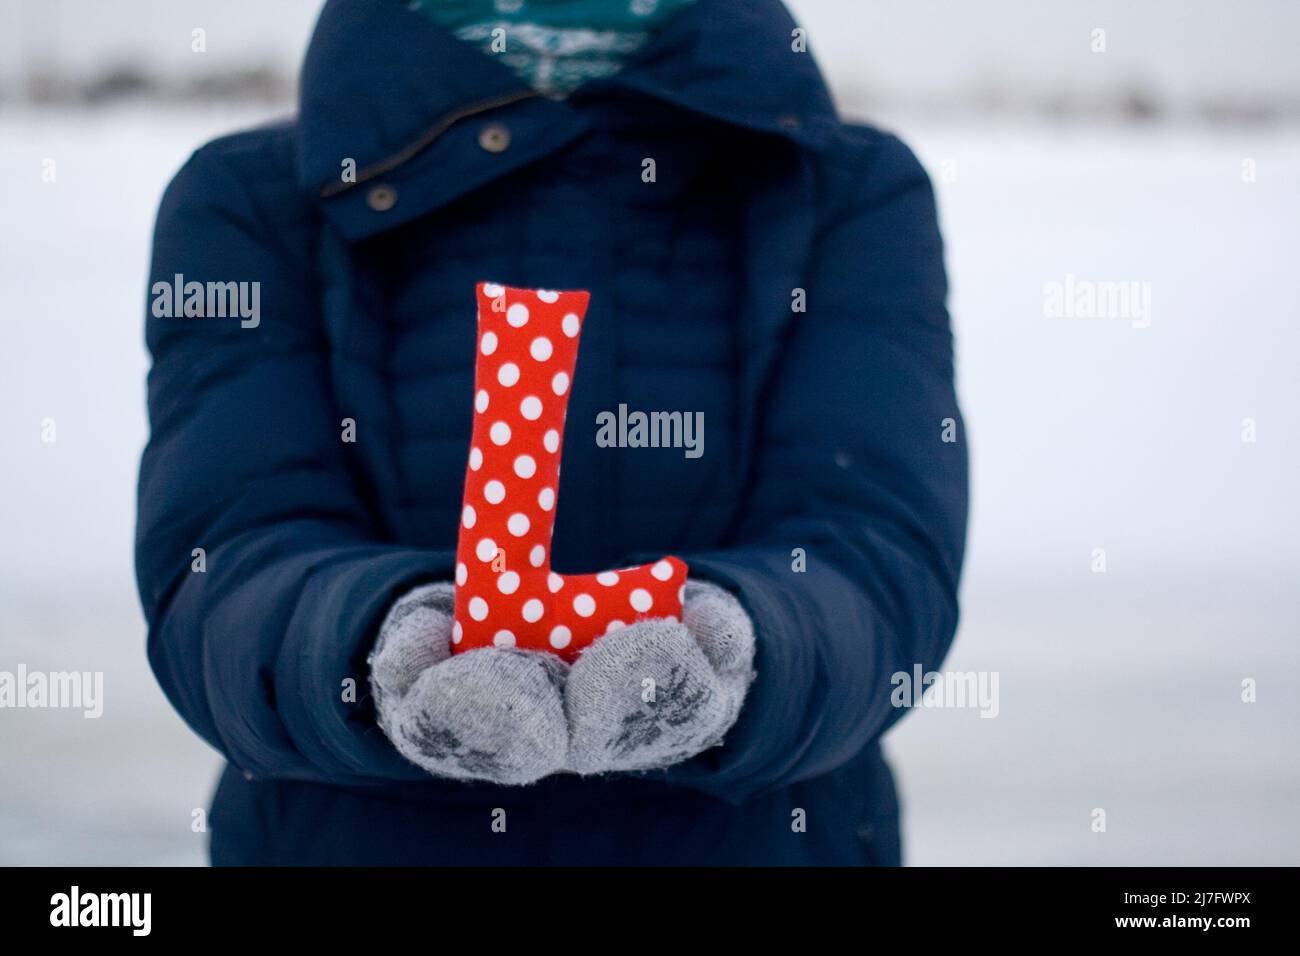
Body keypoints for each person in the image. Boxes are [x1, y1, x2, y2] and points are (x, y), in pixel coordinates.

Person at [136, 0, 968, 866]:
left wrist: (748, 650)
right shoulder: (252, 198)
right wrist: (372, 648)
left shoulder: (843, 187)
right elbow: (220, 566)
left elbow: (878, 549)